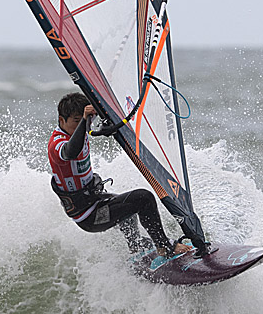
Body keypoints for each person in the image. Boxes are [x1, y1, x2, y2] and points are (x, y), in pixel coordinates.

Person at [48, 92, 192, 259]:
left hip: (95, 200)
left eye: (85, 120)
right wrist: (84, 120)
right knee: (143, 198)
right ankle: (165, 247)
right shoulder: (57, 144)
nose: (84, 124)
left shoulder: (77, 130)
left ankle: (136, 248)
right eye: (76, 120)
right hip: (89, 217)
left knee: (128, 211)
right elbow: (70, 152)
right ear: (61, 120)